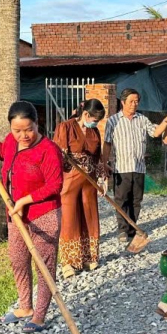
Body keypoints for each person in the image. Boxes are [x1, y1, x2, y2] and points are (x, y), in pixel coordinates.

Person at [0, 101, 63, 332]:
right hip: (16, 215)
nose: (23, 136)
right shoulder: (12, 141)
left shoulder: (48, 149)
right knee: (18, 259)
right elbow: (5, 153)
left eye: (28, 129)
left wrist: (24, 200)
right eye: (17, 130)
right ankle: (24, 307)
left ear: (37, 124)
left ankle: (39, 316)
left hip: (44, 214)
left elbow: (56, 185)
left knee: (44, 265)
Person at [100, 88, 163, 244]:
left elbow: (155, 133)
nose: (134, 104)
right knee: (121, 199)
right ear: (123, 102)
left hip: (139, 167)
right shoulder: (113, 120)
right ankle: (122, 229)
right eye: (131, 101)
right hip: (121, 167)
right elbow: (107, 143)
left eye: (136, 101)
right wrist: (104, 163)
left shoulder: (142, 119)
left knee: (136, 200)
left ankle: (132, 227)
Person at [54, 99, 106, 278]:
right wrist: (63, 155)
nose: (95, 123)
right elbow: (57, 155)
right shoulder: (65, 127)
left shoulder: (94, 130)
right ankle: (68, 262)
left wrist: (103, 179)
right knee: (70, 218)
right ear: (85, 114)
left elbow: (98, 157)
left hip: (89, 181)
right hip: (70, 179)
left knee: (89, 215)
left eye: (98, 121)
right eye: (94, 119)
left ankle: (88, 257)